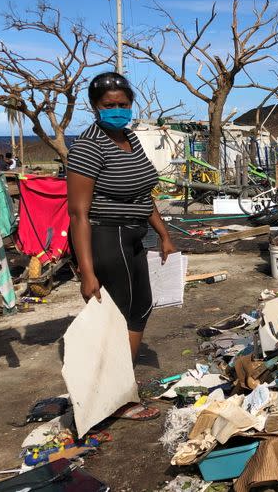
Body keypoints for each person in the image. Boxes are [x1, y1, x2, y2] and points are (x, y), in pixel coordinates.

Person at [67, 72, 176, 421]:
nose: (117, 111)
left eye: (123, 105)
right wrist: (87, 273)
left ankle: (117, 386)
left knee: (140, 306)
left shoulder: (129, 138)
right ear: (95, 107)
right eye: (109, 106)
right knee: (125, 314)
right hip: (105, 236)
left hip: (132, 235)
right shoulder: (88, 147)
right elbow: (78, 214)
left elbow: (143, 193)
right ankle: (117, 398)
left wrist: (163, 234)